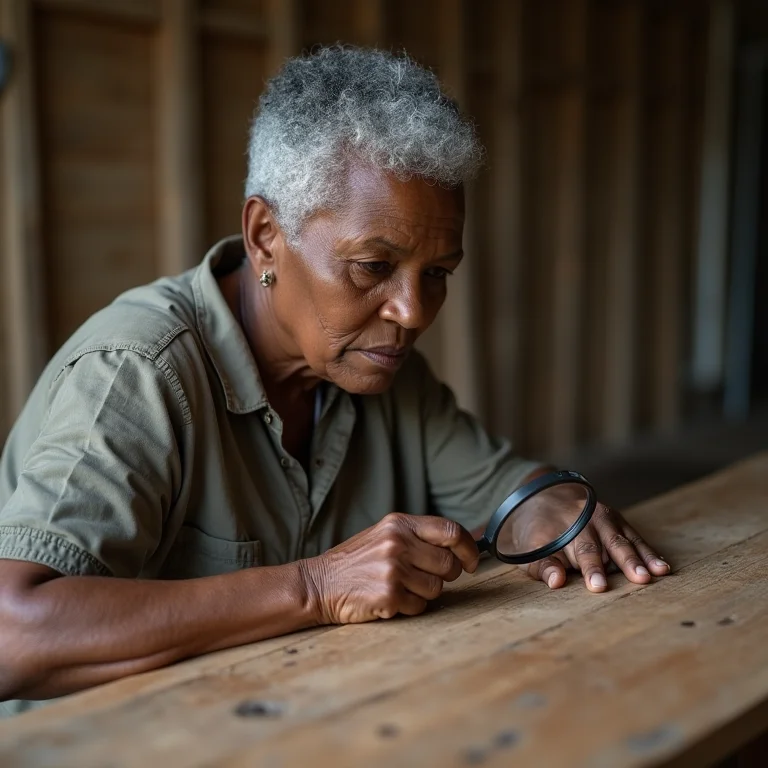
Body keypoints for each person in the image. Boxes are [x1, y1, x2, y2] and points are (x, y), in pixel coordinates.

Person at [0, 47, 669, 718]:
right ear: (266, 236)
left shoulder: (376, 366)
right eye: (374, 265)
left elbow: (501, 489)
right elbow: (14, 633)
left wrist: (550, 510)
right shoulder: (138, 372)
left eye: (437, 274)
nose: (411, 313)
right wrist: (315, 587)